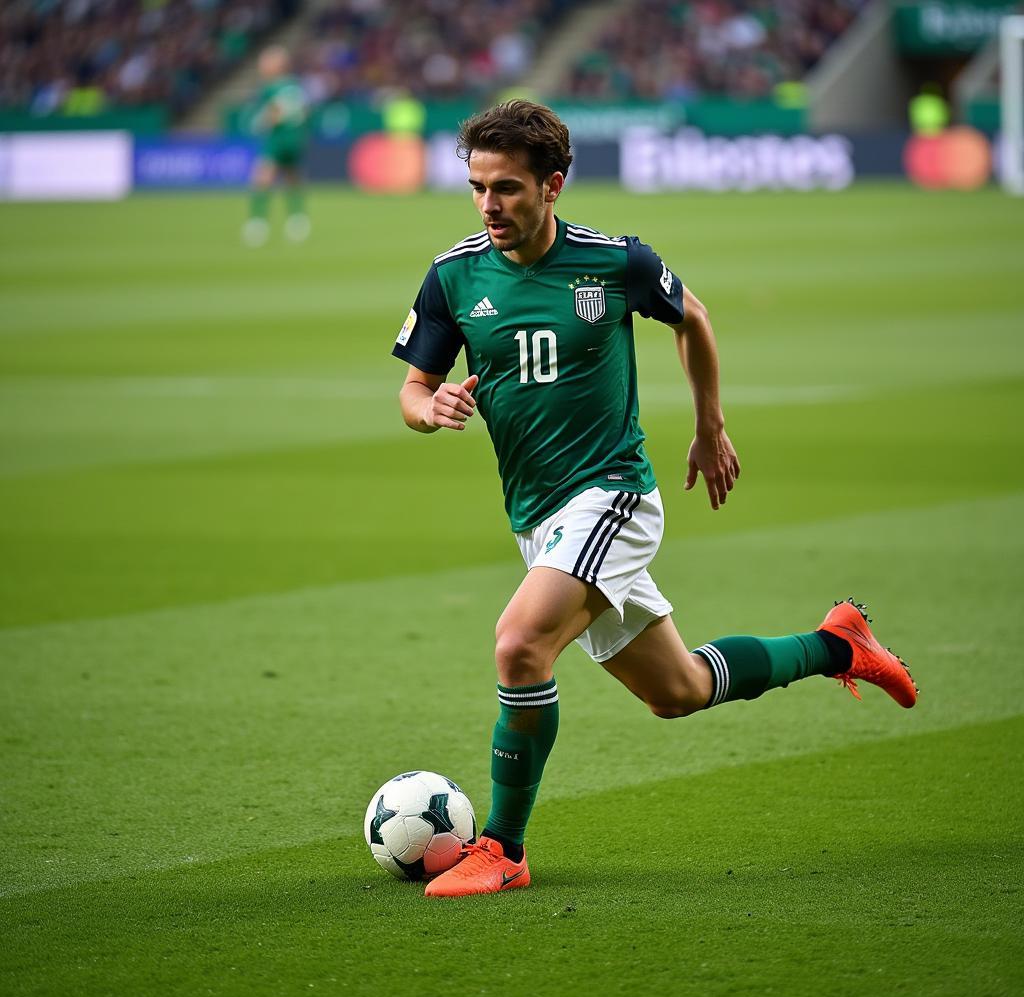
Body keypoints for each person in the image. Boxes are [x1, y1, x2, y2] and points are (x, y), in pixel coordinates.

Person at [391, 100, 917, 899]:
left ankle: (502, 848)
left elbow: (692, 318)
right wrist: (430, 410)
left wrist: (710, 427)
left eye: (506, 188)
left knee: (518, 646)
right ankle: (838, 644)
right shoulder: (454, 275)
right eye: (477, 187)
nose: (489, 205)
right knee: (679, 692)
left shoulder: (615, 263)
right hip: (539, 519)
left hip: (612, 497)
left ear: (553, 186)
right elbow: (412, 388)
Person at [242, 46, 310, 247]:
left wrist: (260, 122)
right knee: (292, 178)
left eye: (265, 62)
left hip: (278, 138)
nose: (261, 66)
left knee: (261, 178)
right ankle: (298, 220)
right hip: (296, 137)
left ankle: (257, 223)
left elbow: (274, 114)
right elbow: (305, 113)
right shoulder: (296, 86)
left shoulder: (272, 87)